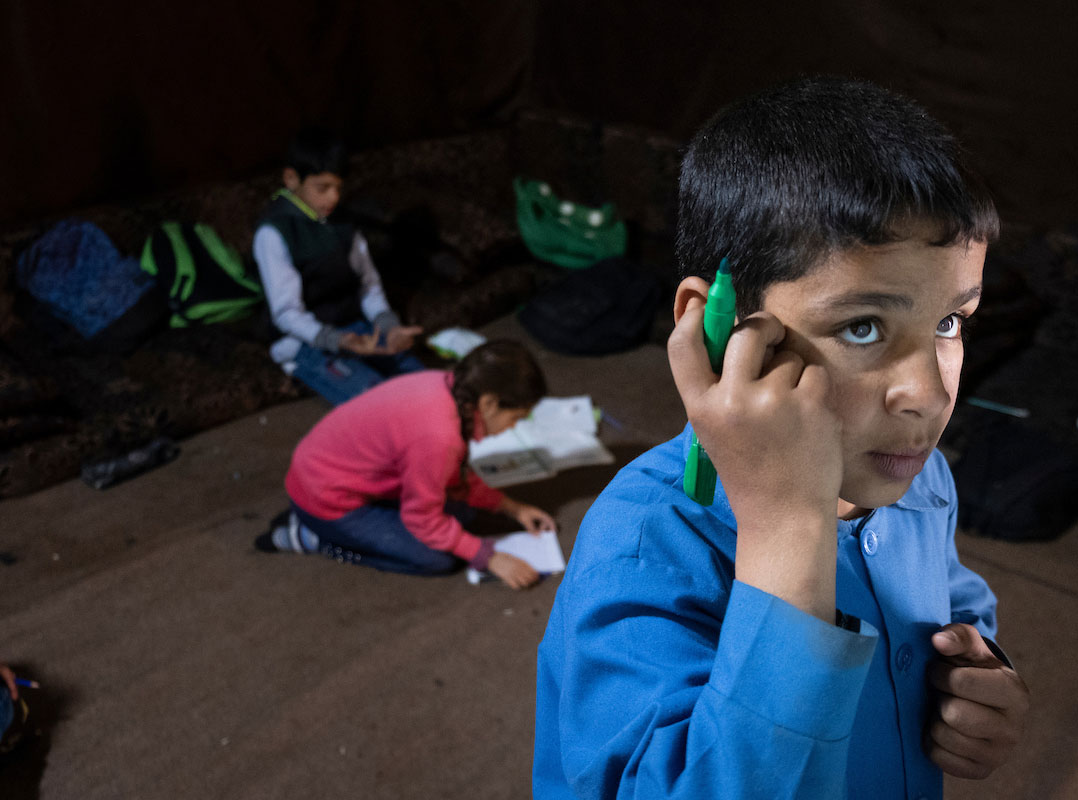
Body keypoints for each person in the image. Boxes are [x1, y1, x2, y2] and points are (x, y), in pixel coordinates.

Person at [534, 76, 1030, 798]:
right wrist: (787, 528)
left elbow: (950, 601)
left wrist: (977, 672)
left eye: (950, 323)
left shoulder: (919, 478)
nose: (927, 394)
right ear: (717, 327)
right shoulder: (644, 540)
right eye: (862, 327)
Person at [256, 339, 558, 590]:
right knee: (437, 559)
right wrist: (487, 556)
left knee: (463, 513)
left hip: (330, 475)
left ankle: (320, 524)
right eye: (515, 417)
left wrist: (510, 507)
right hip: (326, 498)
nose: (513, 427)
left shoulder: (449, 388)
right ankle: (314, 538)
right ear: (490, 404)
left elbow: (454, 477)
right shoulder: (439, 436)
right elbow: (422, 519)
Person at [253, 128, 425, 405]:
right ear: (291, 179)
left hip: (354, 328)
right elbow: (286, 313)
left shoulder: (344, 223)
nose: (333, 198)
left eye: (338, 188)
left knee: (423, 383)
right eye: (322, 188)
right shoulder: (275, 233)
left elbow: (368, 284)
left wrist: (388, 325)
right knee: (378, 400)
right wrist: (336, 340)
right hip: (305, 342)